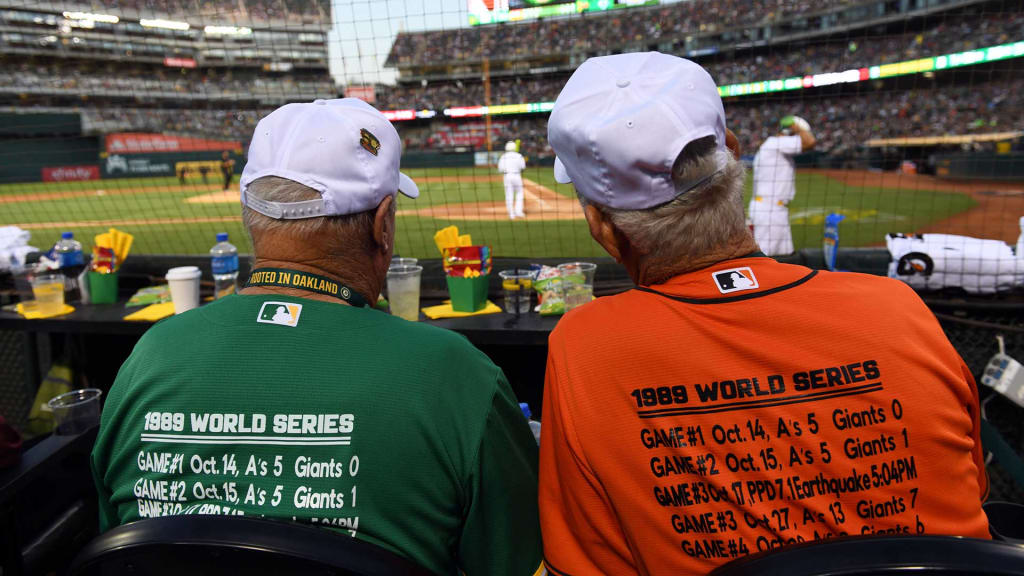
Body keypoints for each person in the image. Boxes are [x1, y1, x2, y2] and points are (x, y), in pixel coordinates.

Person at [541, 52, 989, 576]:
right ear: (731, 151)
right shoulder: (897, 308)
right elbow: (970, 488)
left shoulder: (586, 347)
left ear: (602, 225)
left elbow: (584, 565)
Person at [91, 98, 543, 576]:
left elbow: (115, 541)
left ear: (250, 213)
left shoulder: (149, 356)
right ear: (382, 224)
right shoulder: (456, 374)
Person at [748, 115, 815, 256]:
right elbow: (810, 142)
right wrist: (799, 127)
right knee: (766, 259)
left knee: (785, 256)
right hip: (769, 211)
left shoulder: (773, 146)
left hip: (774, 210)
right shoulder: (774, 143)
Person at [498, 140, 526, 219]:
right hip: (517, 175)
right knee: (519, 193)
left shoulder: (503, 156)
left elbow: (500, 169)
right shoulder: (519, 156)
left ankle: (511, 214)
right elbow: (523, 167)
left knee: (509, 194)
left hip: (507, 176)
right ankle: (519, 212)